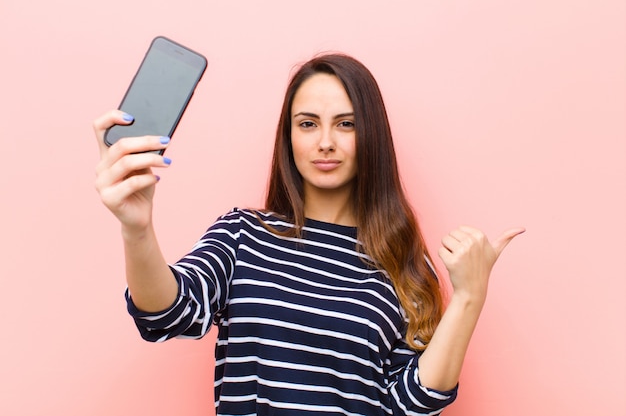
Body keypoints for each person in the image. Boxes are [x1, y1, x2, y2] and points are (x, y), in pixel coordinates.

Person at [93, 53, 524, 416]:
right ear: (289, 135)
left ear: (371, 135)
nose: (325, 142)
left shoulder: (404, 264)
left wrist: (469, 298)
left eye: (346, 124)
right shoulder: (243, 235)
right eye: (307, 123)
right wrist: (137, 228)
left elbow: (409, 404)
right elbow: (168, 315)